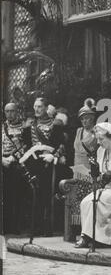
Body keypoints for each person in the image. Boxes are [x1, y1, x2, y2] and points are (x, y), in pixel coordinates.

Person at [22, 97, 69, 236]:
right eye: (35, 106)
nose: (36, 109)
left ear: (46, 107)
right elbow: (26, 146)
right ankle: (36, 227)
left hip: (50, 163)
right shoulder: (30, 125)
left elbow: (61, 145)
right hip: (35, 163)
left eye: (40, 107)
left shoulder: (56, 124)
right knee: (35, 194)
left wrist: (54, 156)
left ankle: (48, 227)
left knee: (48, 194)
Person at [2, 102, 26, 234]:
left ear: (17, 111)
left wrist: (13, 158)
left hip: (16, 164)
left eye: (12, 111)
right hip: (2, 162)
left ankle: (15, 226)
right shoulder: (2, 126)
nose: (9, 114)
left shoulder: (23, 127)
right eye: (7, 111)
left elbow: (25, 146)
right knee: (4, 196)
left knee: (16, 195)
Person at [73, 98, 98, 169]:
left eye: (86, 118)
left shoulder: (97, 131)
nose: (84, 121)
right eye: (82, 119)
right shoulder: (79, 131)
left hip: (90, 166)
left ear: (92, 118)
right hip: (77, 166)